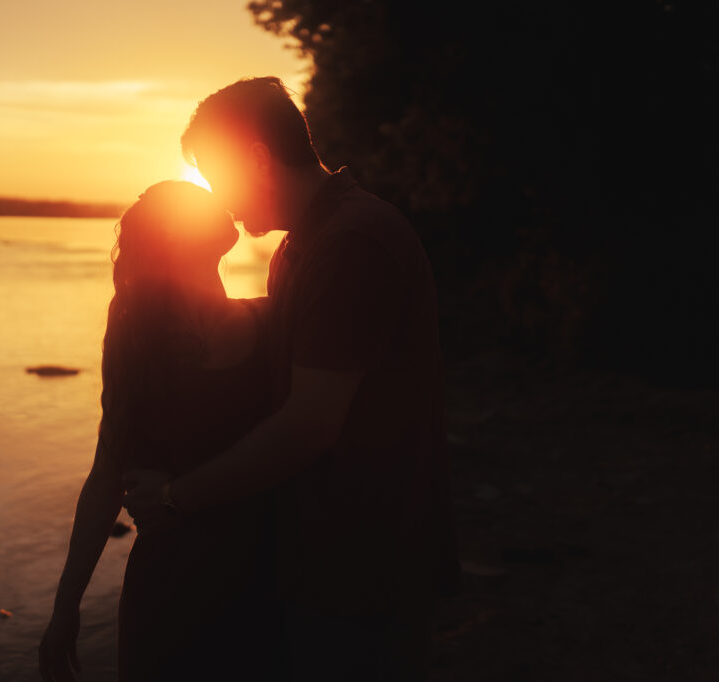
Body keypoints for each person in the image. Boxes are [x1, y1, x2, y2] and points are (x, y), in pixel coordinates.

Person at [123, 77, 460, 680]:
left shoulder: (350, 243)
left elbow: (309, 424)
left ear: (255, 157)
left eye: (217, 176)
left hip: (361, 566)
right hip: (326, 559)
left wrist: (175, 496)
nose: (221, 201)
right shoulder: (306, 244)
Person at [38, 180, 279, 682]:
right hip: (183, 580)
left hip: (262, 575)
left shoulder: (274, 319)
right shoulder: (137, 334)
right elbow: (107, 472)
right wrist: (65, 609)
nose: (219, 201)